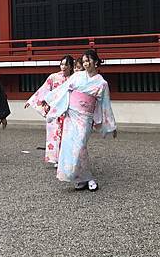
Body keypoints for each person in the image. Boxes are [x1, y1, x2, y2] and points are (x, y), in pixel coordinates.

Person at [44, 49, 117, 192]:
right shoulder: (77, 76)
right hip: (71, 114)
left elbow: (105, 105)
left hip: (85, 117)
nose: (85, 63)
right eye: (83, 61)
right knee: (70, 146)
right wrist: (51, 104)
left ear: (95, 62)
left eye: (88, 60)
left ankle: (87, 177)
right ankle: (82, 178)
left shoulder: (102, 83)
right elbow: (63, 90)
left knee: (80, 145)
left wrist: (110, 126)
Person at [25, 55, 74, 166]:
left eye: (66, 64)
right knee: (54, 135)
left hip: (69, 111)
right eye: (62, 64)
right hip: (55, 111)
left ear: (71, 66)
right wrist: (32, 100)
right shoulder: (53, 77)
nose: (63, 67)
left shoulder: (74, 78)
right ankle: (56, 158)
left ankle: (67, 158)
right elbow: (44, 90)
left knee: (68, 135)